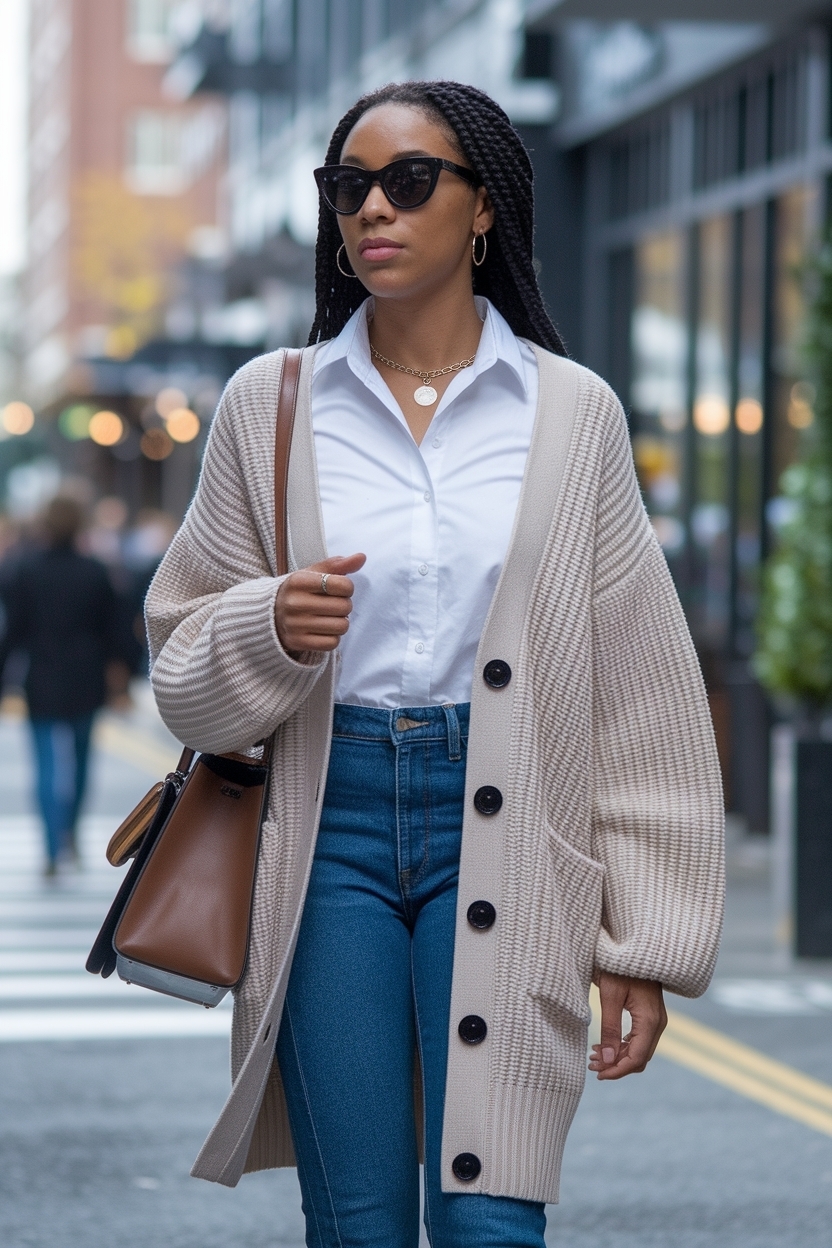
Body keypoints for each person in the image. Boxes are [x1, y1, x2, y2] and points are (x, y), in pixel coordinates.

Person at [145, 81, 724, 1248]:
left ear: (481, 212)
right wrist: (268, 624)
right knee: (356, 1225)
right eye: (347, 186)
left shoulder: (573, 413)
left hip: (511, 827)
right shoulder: (272, 404)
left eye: (409, 182)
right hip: (324, 835)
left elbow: (641, 692)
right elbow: (180, 664)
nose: (372, 209)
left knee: (490, 1223)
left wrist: (645, 944)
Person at [0, 496, 120, 874]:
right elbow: (113, 631)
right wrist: (121, 678)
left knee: (46, 766)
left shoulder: (26, 570)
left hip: (42, 679)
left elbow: (13, 632)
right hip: (86, 679)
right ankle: (71, 831)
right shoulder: (96, 572)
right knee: (82, 762)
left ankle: (52, 846)